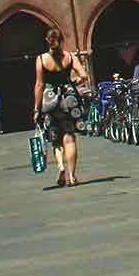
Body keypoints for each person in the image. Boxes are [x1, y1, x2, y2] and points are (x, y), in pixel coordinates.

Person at [33, 28, 89, 188]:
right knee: (69, 137)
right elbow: (84, 75)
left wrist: (36, 109)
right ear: (61, 40)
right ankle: (71, 176)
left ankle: (61, 166)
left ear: (47, 40)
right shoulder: (70, 56)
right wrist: (73, 83)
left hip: (50, 100)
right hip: (68, 99)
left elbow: (39, 85)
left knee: (55, 137)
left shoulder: (41, 59)